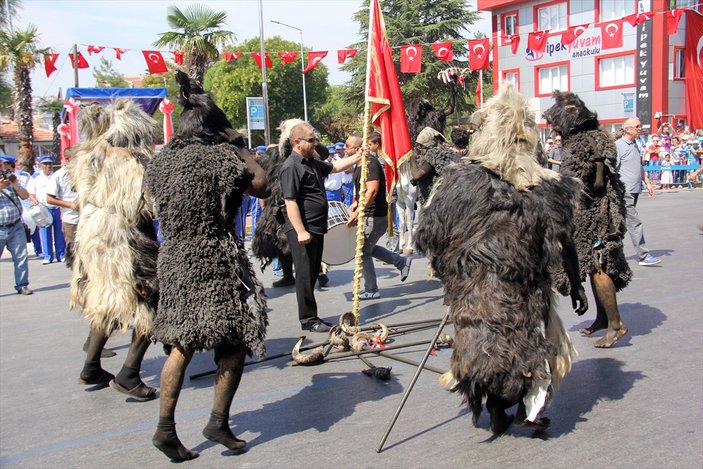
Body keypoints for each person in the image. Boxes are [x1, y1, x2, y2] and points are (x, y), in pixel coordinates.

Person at [415, 84, 587, 435]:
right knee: (521, 341)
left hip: (473, 289)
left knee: (482, 341)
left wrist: (451, 268)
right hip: (519, 289)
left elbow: (427, 237)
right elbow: (564, 243)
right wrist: (576, 284)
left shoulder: (458, 181)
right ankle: (522, 404)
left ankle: (495, 408)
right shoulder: (546, 184)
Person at [147, 71, 270, 461]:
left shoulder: (162, 161)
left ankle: (167, 427)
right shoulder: (223, 157)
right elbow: (262, 185)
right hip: (215, 259)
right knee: (234, 341)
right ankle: (216, 421)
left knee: (181, 345)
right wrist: (241, 146)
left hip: (174, 258)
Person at [543, 91, 632, 348]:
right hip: (603, 211)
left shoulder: (580, 144)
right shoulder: (599, 138)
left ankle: (616, 324)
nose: (557, 132)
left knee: (599, 266)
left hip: (596, 216)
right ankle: (603, 318)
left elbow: (578, 182)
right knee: (595, 265)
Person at [280, 122, 360, 332]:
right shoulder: (291, 167)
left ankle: (313, 315)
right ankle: (308, 319)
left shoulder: (312, 162)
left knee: (313, 271)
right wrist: (300, 231)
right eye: (311, 140)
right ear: (297, 143)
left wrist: (359, 156)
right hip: (303, 229)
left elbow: (335, 167)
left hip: (316, 226)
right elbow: (291, 202)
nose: (316, 143)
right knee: (305, 274)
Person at [347, 132, 412, 300]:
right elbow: (364, 190)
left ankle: (372, 289)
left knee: (362, 252)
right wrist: (356, 203)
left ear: (356, 148)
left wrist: (358, 211)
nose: (345, 149)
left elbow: (373, 190)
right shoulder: (360, 164)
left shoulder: (370, 164)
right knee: (368, 248)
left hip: (374, 217)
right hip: (369, 215)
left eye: (347, 146)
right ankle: (400, 262)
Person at [615, 117, 661, 266]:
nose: (639, 128)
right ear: (627, 129)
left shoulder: (636, 144)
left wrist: (647, 182)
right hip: (625, 191)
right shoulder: (618, 146)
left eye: (640, 126)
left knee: (621, 224)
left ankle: (607, 251)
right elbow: (612, 169)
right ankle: (644, 255)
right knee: (634, 222)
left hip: (635, 189)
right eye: (637, 126)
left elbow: (639, 166)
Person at [0, 160, 33, 295]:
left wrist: (16, 185)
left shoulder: (9, 178)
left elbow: (25, 196)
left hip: (16, 225)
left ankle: (22, 285)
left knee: (21, 257)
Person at [28, 155, 65, 264]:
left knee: (59, 233)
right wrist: (34, 200)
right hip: (43, 208)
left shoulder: (57, 176)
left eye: (50, 164)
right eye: (45, 164)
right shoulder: (36, 178)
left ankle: (60, 254)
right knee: (45, 233)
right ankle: (48, 256)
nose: (48, 166)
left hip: (56, 207)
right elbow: (30, 192)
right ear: (40, 165)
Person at [46, 148, 79, 261]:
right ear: (68, 159)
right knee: (74, 253)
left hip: (86, 218)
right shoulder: (59, 175)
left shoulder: (83, 173)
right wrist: (69, 205)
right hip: (71, 220)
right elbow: (49, 199)